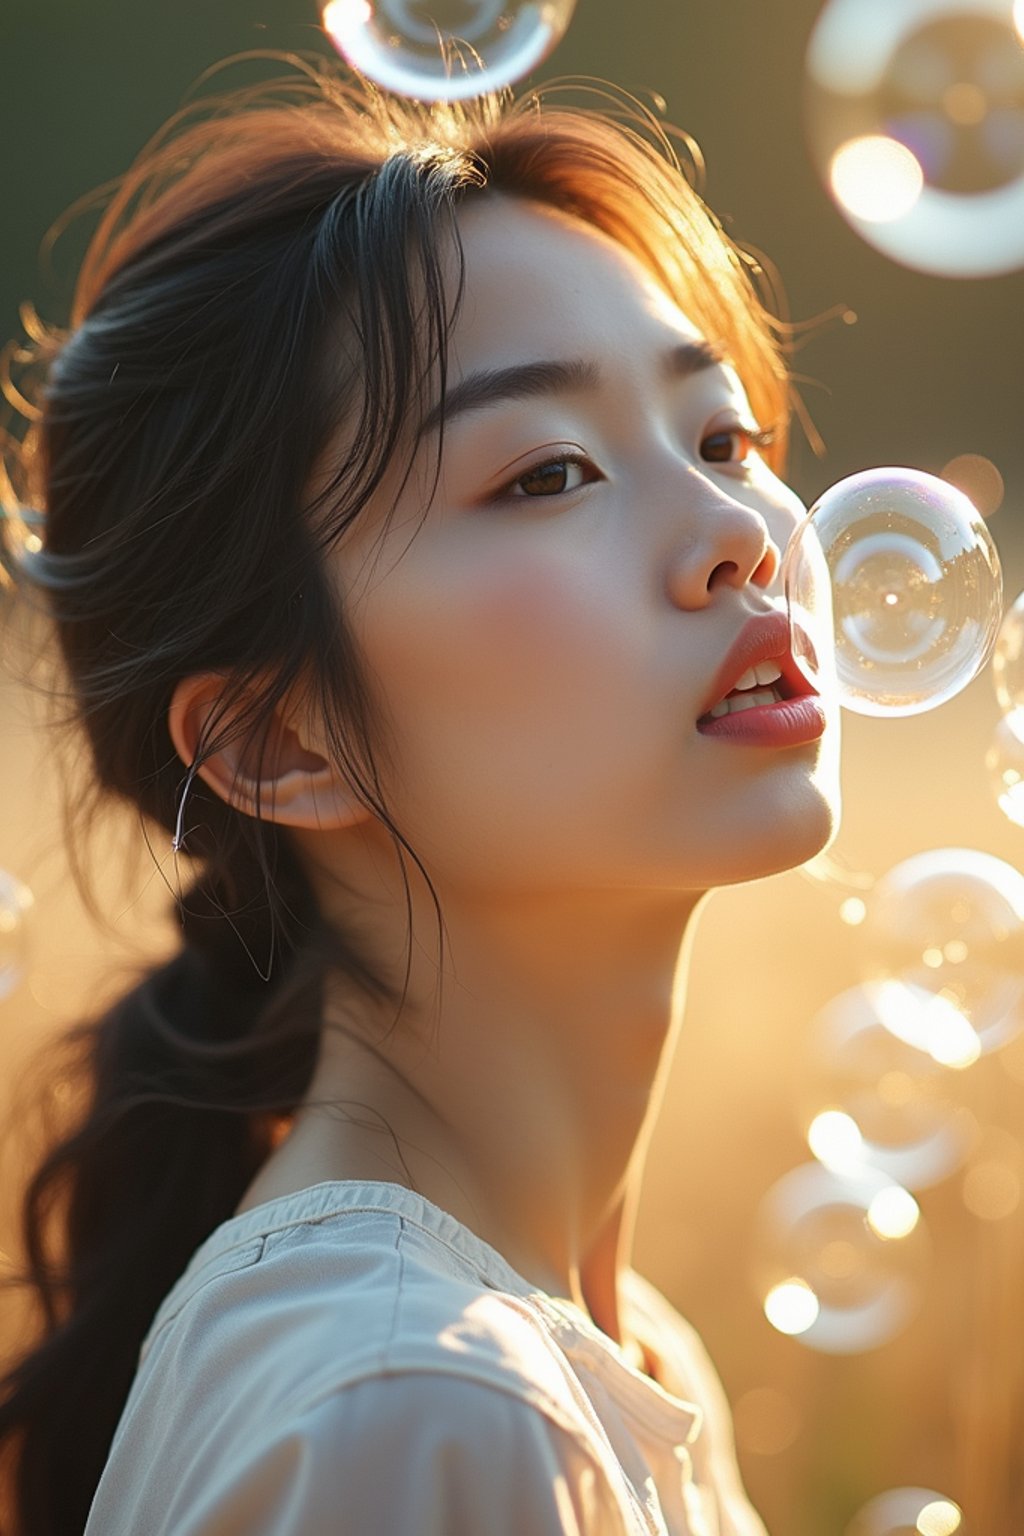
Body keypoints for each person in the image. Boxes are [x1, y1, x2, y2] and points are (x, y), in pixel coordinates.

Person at [0, 51, 838, 1536]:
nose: (735, 534)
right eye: (551, 472)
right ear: (278, 743)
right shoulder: (427, 1403)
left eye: (724, 440)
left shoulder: (595, 1354)